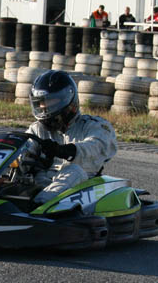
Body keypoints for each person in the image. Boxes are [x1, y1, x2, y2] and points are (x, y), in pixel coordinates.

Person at [22, 70, 117, 203]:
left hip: (81, 185)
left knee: (74, 171)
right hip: (45, 180)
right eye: (40, 103)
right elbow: (25, 149)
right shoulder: (38, 129)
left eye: (49, 102)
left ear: (66, 100)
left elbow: (96, 146)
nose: (44, 108)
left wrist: (63, 150)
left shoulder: (94, 125)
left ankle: (38, 206)